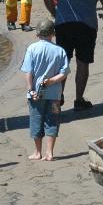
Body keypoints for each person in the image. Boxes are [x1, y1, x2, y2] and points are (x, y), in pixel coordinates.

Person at [44, 0, 103, 111]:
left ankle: (59, 96)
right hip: (86, 26)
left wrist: (55, 14)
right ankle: (79, 99)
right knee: (83, 63)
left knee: (63, 62)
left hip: (64, 26)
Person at [21, 19, 68, 161]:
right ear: (53, 33)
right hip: (54, 94)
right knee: (52, 121)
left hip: (36, 93)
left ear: (37, 34)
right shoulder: (59, 51)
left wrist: (30, 90)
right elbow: (64, 72)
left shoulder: (32, 49)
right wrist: (52, 81)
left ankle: (37, 152)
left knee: (36, 120)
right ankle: (50, 152)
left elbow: (28, 71)